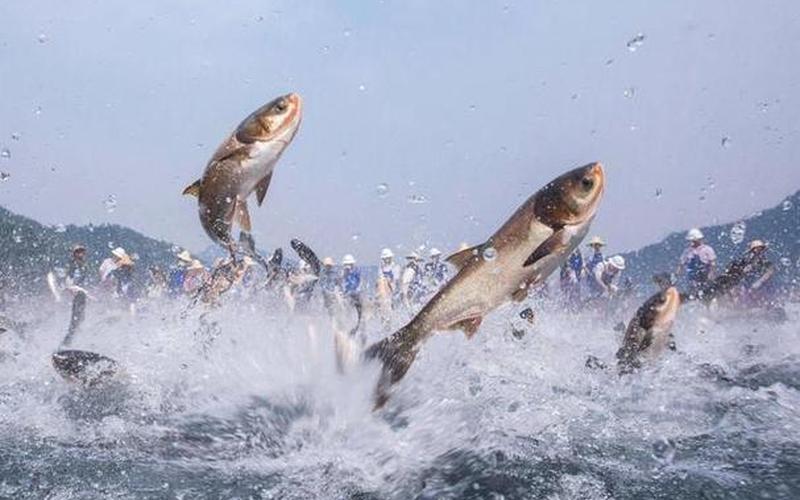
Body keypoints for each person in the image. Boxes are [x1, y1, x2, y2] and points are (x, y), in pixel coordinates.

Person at [676, 228, 717, 297]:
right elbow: (681, 264)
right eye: (691, 240)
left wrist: (711, 274)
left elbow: (713, 264)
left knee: (707, 292)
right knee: (693, 293)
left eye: (694, 240)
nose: (693, 242)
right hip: (692, 278)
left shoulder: (707, 249)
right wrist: (677, 274)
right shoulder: (687, 251)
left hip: (705, 276)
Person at [739, 240, 776, 308]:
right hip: (749, 286)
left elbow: (770, 271)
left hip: (763, 286)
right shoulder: (747, 261)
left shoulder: (766, 260)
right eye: (756, 249)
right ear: (752, 250)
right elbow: (742, 273)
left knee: (765, 300)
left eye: (760, 249)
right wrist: (745, 270)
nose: (759, 251)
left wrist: (759, 282)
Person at [64, 244, 89, 342]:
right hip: (76, 294)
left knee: (81, 317)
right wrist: (71, 288)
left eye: (82, 251)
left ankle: (74, 338)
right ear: (74, 254)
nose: (81, 253)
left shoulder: (83, 264)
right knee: (75, 319)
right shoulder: (72, 264)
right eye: (78, 252)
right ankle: (68, 340)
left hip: (81, 294)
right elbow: (68, 279)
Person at [109, 247, 137, 312]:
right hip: (125, 286)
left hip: (125, 286)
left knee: (130, 302)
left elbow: (116, 275)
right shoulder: (124, 265)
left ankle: (131, 317)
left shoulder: (123, 266)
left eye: (114, 255)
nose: (113, 257)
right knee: (128, 302)